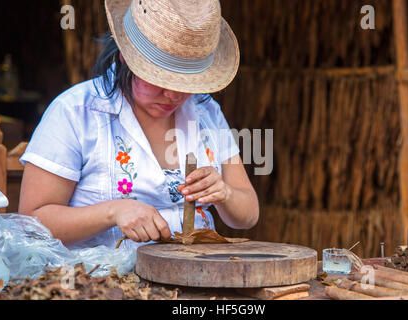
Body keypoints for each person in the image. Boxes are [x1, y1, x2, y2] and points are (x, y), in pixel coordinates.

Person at [18, 0, 259, 250]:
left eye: (187, 84)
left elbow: (248, 214)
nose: (174, 96)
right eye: (161, 80)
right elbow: (31, 224)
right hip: (99, 283)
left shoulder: (206, 112)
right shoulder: (76, 112)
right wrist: (113, 212)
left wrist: (224, 194)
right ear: (126, 57)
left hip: (195, 278)